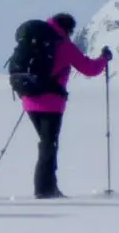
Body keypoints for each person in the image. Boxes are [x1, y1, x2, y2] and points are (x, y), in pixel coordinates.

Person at [19, 13, 110, 199]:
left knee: (47, 144)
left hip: (29, 99)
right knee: (48, 145)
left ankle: (50, 187)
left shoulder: (35, 40)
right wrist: (104, 59)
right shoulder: (63, 45)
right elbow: (89, 68)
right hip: (51, 102)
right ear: (68, 28)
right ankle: (44, 190)